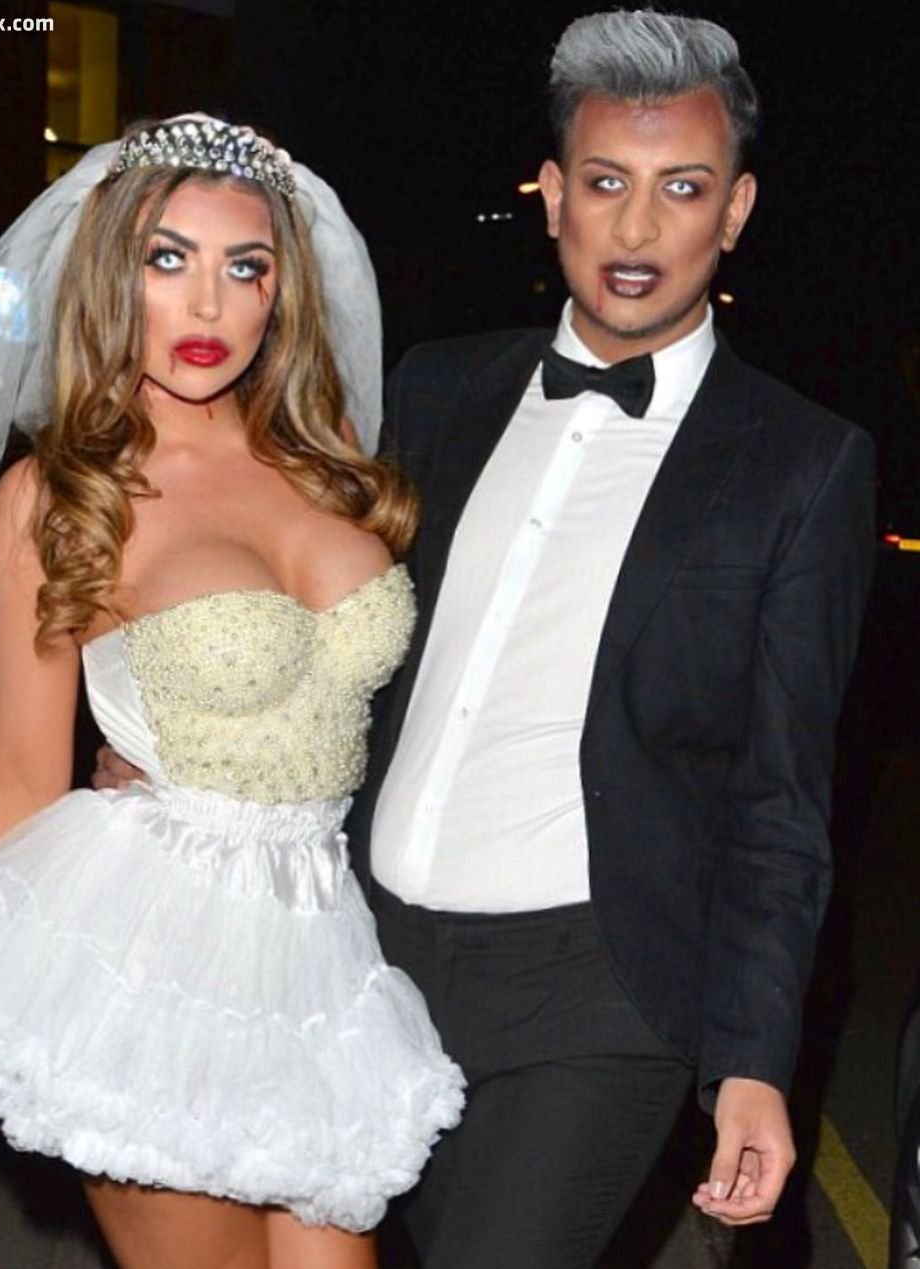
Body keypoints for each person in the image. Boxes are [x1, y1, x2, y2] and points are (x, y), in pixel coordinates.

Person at [0, 114, 464, 1269]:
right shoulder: (59, 495)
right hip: (150, 961)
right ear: (110, 275)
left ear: (283, 293)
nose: (209, 303)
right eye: (167, 260)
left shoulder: (329, 462)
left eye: (246, 267)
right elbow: (23, 771)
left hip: (320, 958)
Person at [343, 11, 875, 1266]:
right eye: (605, 183)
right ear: (552, 196)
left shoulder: (803, 464)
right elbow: (344, 652)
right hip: (363, 960)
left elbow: (782, 800)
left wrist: (752, 1064)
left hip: (597, 987)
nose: (637, 230)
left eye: (681, 188)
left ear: (734, 211)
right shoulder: (434, 390)